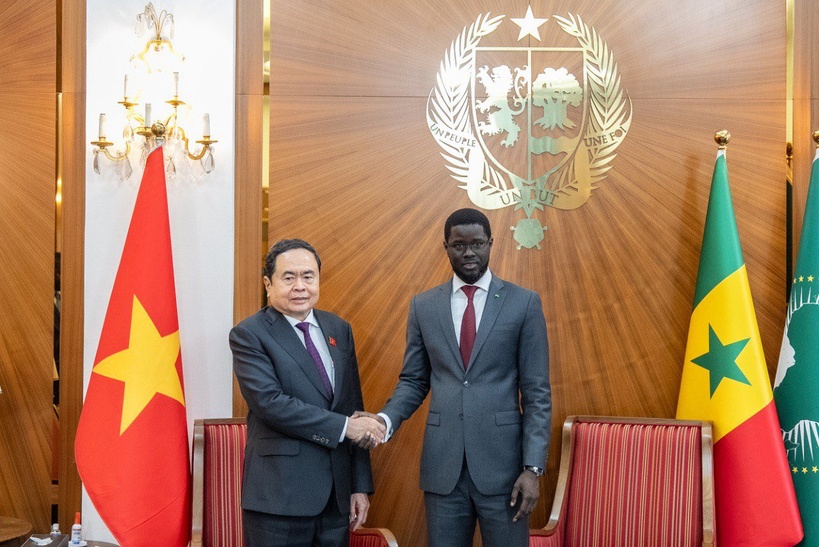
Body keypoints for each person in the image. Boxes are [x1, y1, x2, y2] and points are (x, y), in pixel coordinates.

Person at [373, 208, 551, 547]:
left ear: (490, 244)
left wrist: (533, 468)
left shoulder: (523, 303)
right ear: (446, 247)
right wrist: (385, 420)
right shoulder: (424, 306)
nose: (469, 252)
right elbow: (414, 380)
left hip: (506, 472)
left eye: (477, 244)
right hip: (444, 471)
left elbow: (537, 393)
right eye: (459, 245)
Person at [230, 238, 386, 547]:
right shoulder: (249, 334)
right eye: (288, 277)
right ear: (268, 283)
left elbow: (353, 406)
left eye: (308, 276)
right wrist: (345, 427)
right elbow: (270, 403)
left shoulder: (338, 329)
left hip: (336, 500)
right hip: (280, 499)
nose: (300, 286)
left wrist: (359, 485)